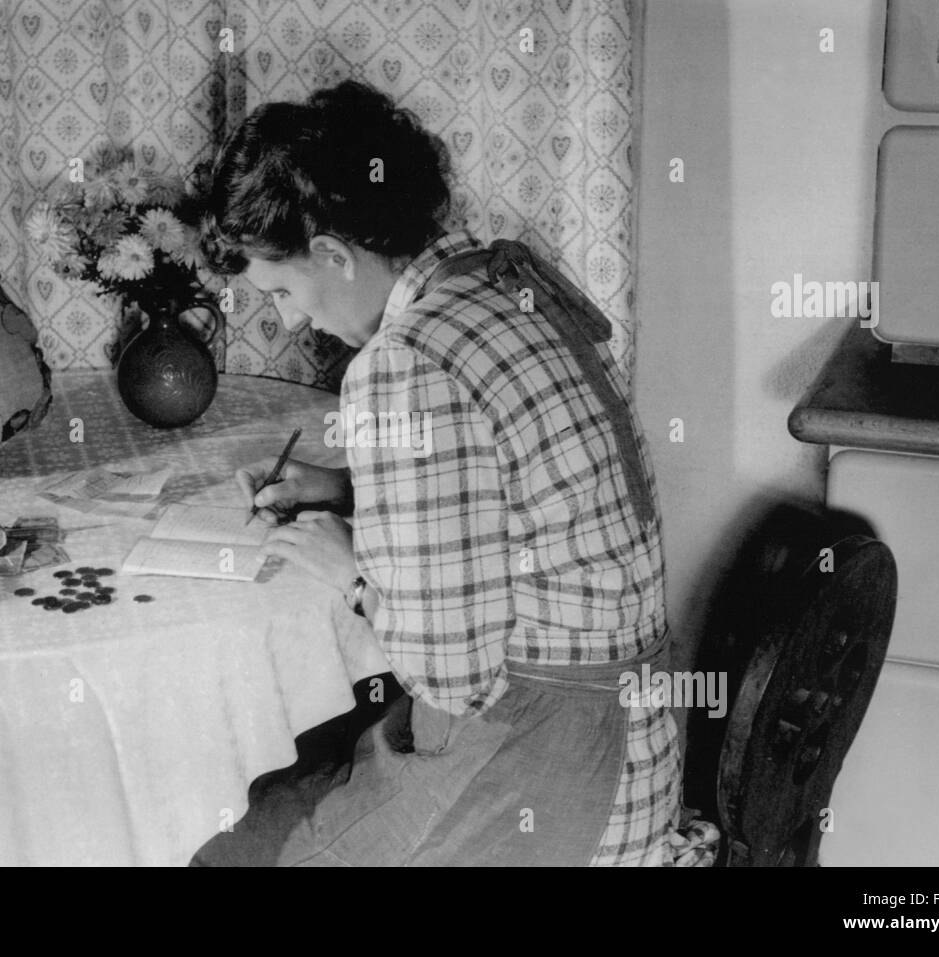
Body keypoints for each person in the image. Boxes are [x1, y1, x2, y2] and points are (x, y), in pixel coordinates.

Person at [188, 79, 680, 866]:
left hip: (554, 767)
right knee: (294, 800)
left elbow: (448, 676)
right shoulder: (503, 276)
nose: (289, 317)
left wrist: (350, 567)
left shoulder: (402, 361)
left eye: (280, 290)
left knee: (229, 848)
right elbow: (517, 486)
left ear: (331, 254)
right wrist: (348, 490)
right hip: (633, 739)